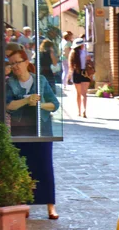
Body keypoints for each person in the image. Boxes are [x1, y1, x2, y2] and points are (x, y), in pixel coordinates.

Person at [5, 49, 60, 219]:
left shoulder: (40, 81)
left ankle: (51, 206)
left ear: (26, 62)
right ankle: (24, 203)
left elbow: (54, 104)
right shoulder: (10, 83)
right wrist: (25, 101)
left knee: (44, 167)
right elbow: (8, 105)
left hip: (42, 130)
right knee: (23, 168)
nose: (15, 66)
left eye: (17, 62)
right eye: (12, 63)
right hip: (20, 130)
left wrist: (40, 105)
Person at [68, 37, 90, 118]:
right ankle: (84, 110)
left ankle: (79, 111)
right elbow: (90, 63)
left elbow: (70, 66)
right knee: (84, 94)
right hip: (85, 73)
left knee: (78, 94)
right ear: (81, 45)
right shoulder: (86, 53)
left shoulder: (72, 53)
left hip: (76, 72)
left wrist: (69, 77)